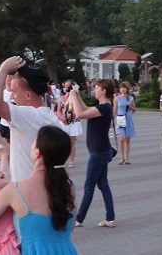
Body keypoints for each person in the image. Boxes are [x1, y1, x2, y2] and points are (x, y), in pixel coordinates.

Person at [0, 125, 77, 254]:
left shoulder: (15, 190)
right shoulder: (69, 186)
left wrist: (7, 238)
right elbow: (70, 226)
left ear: (37, 153)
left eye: (33, 143)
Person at [0, 56, 62, 182]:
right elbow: (23, 153)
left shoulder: (31, 116)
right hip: (41, 186)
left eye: (14, 92)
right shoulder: (45, 116)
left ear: (27, 95)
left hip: (28, 190)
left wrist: (3, 69)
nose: (12, 97)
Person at [69, 79, 116, 228]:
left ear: (104, 91)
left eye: (96, 88)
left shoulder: (105, 108)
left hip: (99, 152)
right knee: (102, 184)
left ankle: (79, 218)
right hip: (101, 151)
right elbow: (85, 110)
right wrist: (77, 96)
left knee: (89, 185)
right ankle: (110, 218)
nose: (94, 90)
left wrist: (72, 96)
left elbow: (80, 114)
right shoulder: (103, 107)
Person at [55, 79, 83, 168]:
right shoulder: (61, 98)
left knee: (71, 142)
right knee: (61, 142)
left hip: (73, 121)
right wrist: (62, 118)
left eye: (69, 86)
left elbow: (78, 109)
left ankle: (71, 161)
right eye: (65, 86)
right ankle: (62, 160)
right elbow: (58, 110)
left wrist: (69, 117)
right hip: (63, 121)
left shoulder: (75, 98)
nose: (67, 87)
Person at [113, 82, 136, 165]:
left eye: (124, 88)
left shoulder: (130, 98)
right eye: (121, 88)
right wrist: (112, 120)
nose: (122, 89)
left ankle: (126, 158)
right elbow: (115, 110)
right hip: (120, 119)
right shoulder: (116, 98)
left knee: (127, 139)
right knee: (121, 139)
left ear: (127, 89)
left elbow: (134, 110)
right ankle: (121, 157)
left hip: (127, 118)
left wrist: (129, 106)